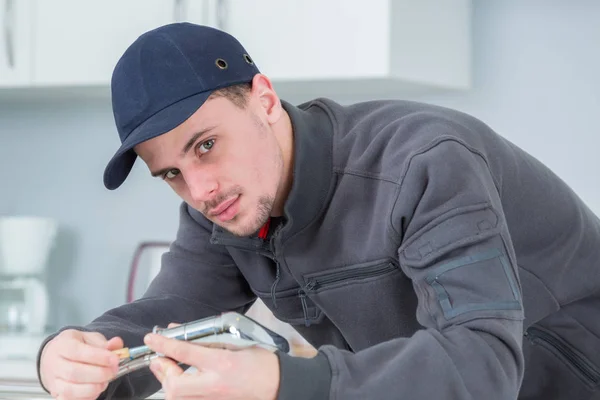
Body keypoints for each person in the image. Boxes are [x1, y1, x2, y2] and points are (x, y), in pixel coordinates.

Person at [36, 22, 600, 400]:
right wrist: (69, 357)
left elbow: (482, 362)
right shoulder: (224, 207)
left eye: (205, 145)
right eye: (172, 175)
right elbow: (168, 317)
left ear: (263, 97)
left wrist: (285, 381)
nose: (201, 189)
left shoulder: (425, 161)